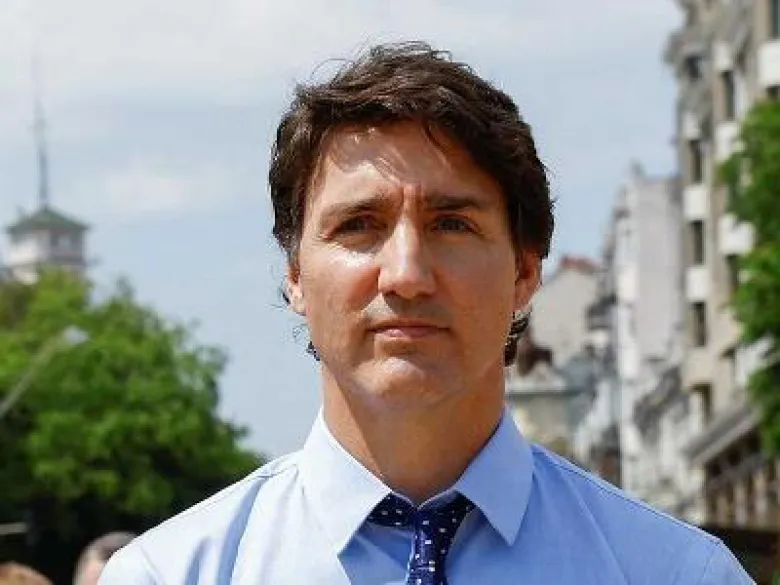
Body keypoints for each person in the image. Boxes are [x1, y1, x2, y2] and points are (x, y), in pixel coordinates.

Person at [100, 42, 754, 584]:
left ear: (525, 272)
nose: (407, 275)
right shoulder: (171, 573)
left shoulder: (676, 573)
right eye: (359, 225)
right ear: (295, 274)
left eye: (451, 224)